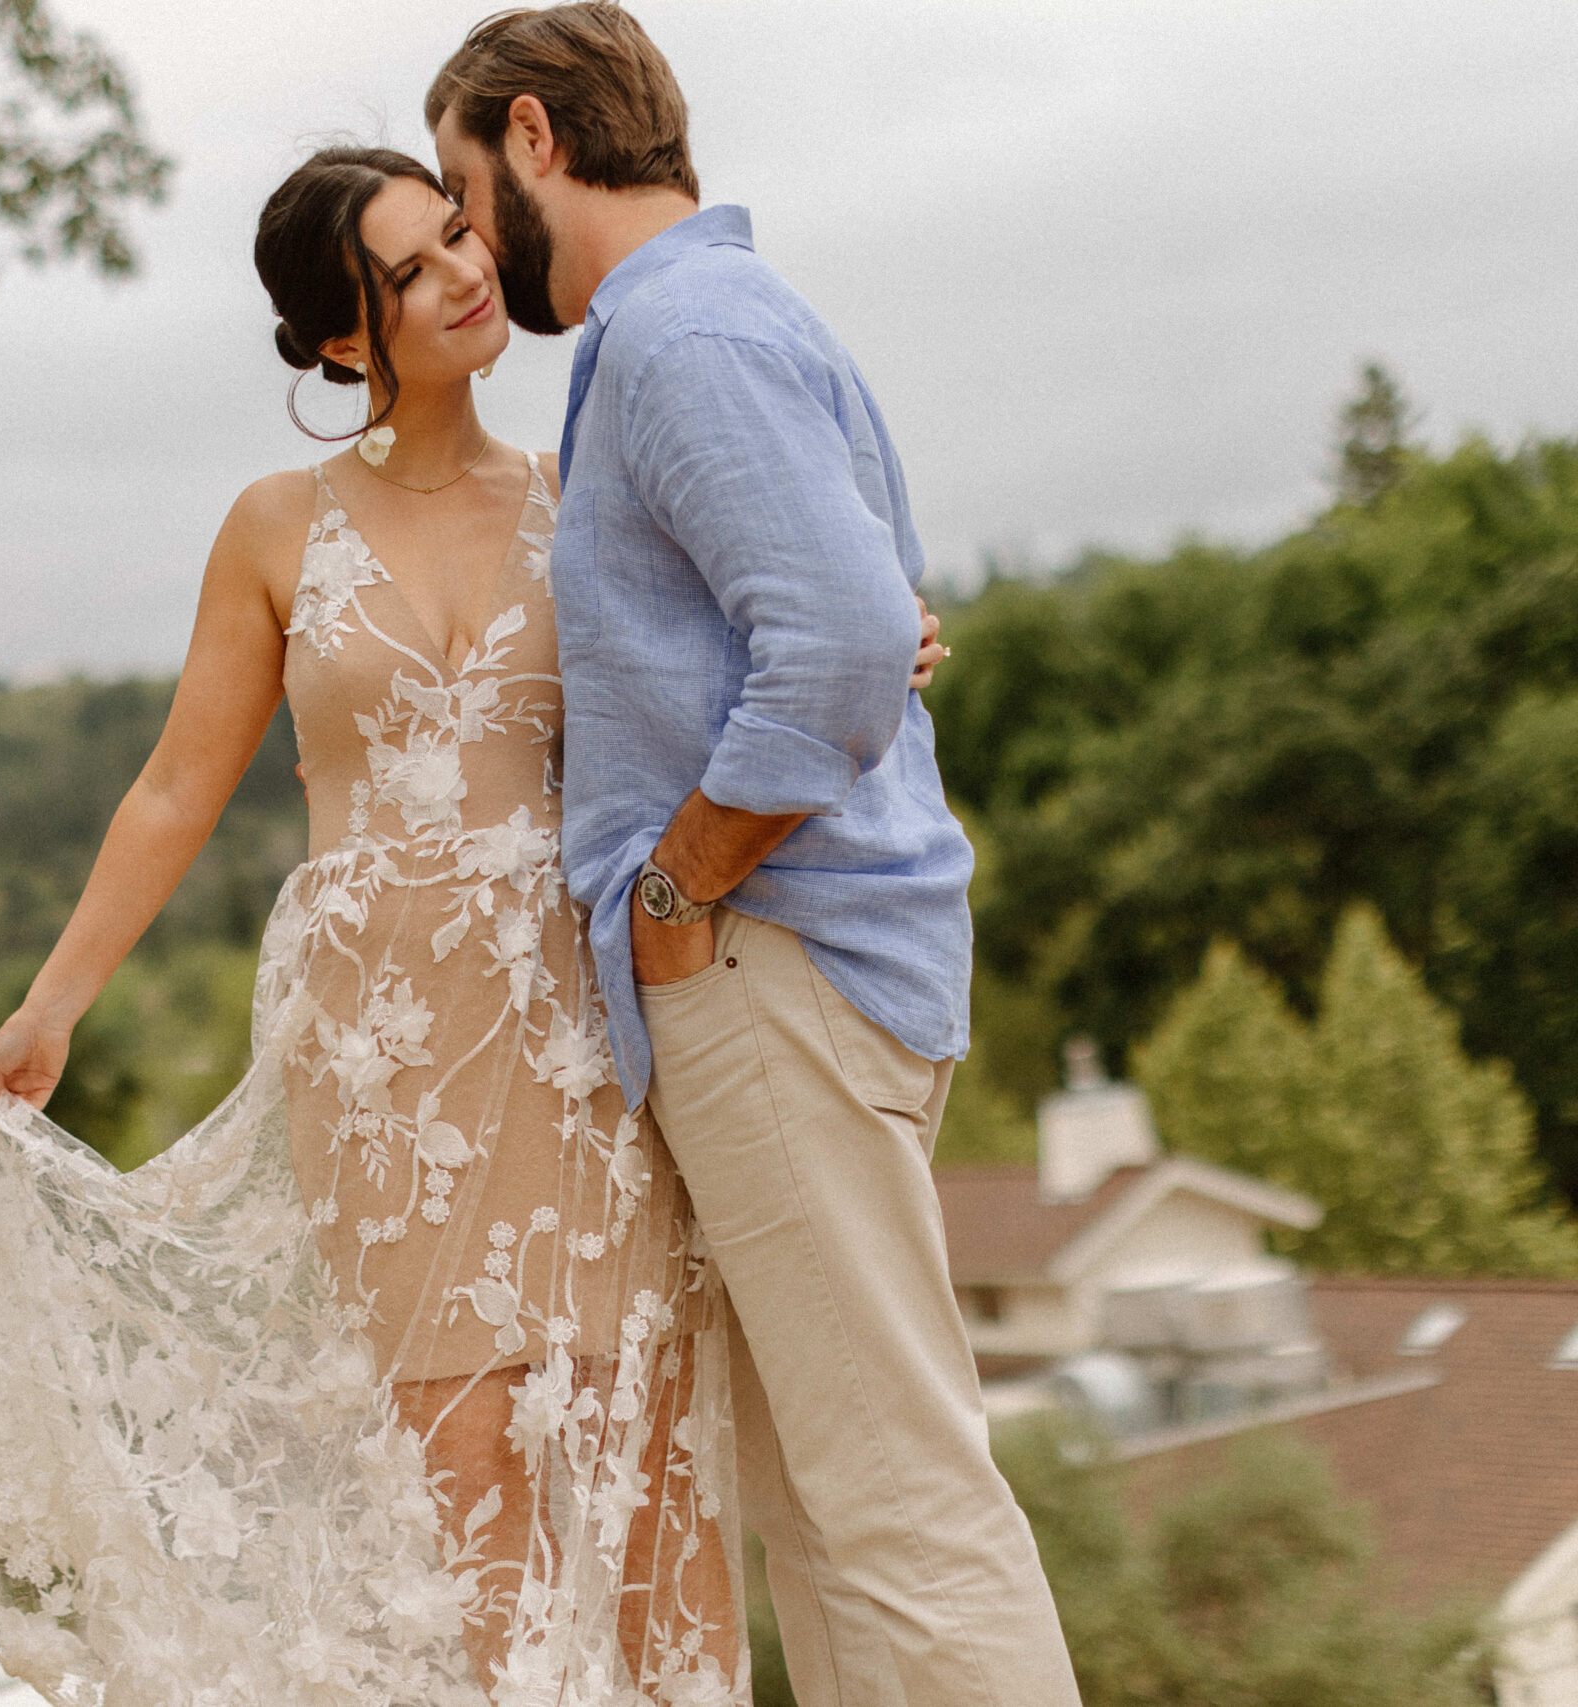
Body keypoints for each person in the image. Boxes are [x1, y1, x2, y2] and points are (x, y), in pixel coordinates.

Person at [0, 142, 945, 1707]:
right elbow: (171, 790)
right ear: (344, 338)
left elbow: (752, 642)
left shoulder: (580, 495)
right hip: (379, 1048)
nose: (466, 275)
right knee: (468, 1490)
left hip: (576, 1019)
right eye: (409, 271)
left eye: (457, 236)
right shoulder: (276, 527)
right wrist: (54, 1002)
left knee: (642, 1459)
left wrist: (895, 636)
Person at [425, 9, 1082, 1707]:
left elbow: (853, 641)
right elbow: (869, 616)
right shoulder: (717, 318)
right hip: (795, 965)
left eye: (457, 183)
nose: (464, 227)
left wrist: (672, 890)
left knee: (897, 1507)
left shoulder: (676, 335)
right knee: (821, 1509)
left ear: (533, 139)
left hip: (767, 959)